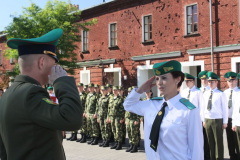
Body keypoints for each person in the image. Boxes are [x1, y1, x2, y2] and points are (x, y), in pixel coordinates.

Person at [0, 28, 83, 160]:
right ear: (42, 62)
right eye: (54, 62)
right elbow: (72, 119)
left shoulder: (7, 94)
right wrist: (62, 81)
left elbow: (3, 150)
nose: (56, 67)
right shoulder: (31, 93)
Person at [123, 60, 203, 160]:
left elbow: (196, 149)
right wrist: (140, 90)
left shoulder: (189, 111)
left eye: (164, 78)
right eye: (157, 79)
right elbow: (128, 105)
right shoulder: (151, 104)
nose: (159, 83)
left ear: (177, 79)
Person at [203, 72, 228, 160]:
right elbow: (203, 108)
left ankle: (219, 158)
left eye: (212, 82)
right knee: (210, 141)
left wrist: (225, 122)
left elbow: (225, 109)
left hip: (217, 120)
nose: (210, 83)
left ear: (216, 82)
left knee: (218, 142)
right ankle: (212, 157)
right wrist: (203, 120)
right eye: (209, 82)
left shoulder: (221, 94)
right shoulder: (205, 93)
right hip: (208, 119)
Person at [224, 72, 240, 160]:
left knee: (237, 140)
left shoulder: (239, 92)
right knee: (229, 139)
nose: (231, 82)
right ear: (227, 82)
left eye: (233, 80)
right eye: (229, 81)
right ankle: (232, 156)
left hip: (237, 120)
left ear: (236, 81)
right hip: (228, 119)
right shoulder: (225, 93)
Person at [107, 86, 125, 150]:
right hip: (112, 117)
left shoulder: (120, 99)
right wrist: (108, 117)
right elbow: (109, 109)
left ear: (118, 91)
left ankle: (119, 144)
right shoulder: (111, 98)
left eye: (116, 90)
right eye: (114, 90)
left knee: (118, 131)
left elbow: (122, 109)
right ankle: (116, 142)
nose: (114, 91)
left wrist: (122, 118)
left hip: (118, 117)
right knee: (114, 130)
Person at [198, 70, 210, 160]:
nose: (204, 81)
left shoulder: (211, 90)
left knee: (207, 138)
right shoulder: (198, 91)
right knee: (199, 138)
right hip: (198, 118)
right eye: (203, 79)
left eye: (206, 79)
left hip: (207, 118)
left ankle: (207, 155)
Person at [125, 86, 140, 153]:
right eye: (128, 92)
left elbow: (140, 111)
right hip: (128, 119)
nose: (129, 93)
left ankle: (135, 146)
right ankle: (131, 145)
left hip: (134, 119)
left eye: (130, 92)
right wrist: (125, 119)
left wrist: (137, 119)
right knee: (130, 133)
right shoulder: (127, 99)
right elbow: (125, 110)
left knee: (134, 133)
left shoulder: (138, 100)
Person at [232, 73, 240, 160]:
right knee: (238, 144)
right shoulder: (238, 94)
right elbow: (235, 110)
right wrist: (234, 123)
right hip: (238, 123)